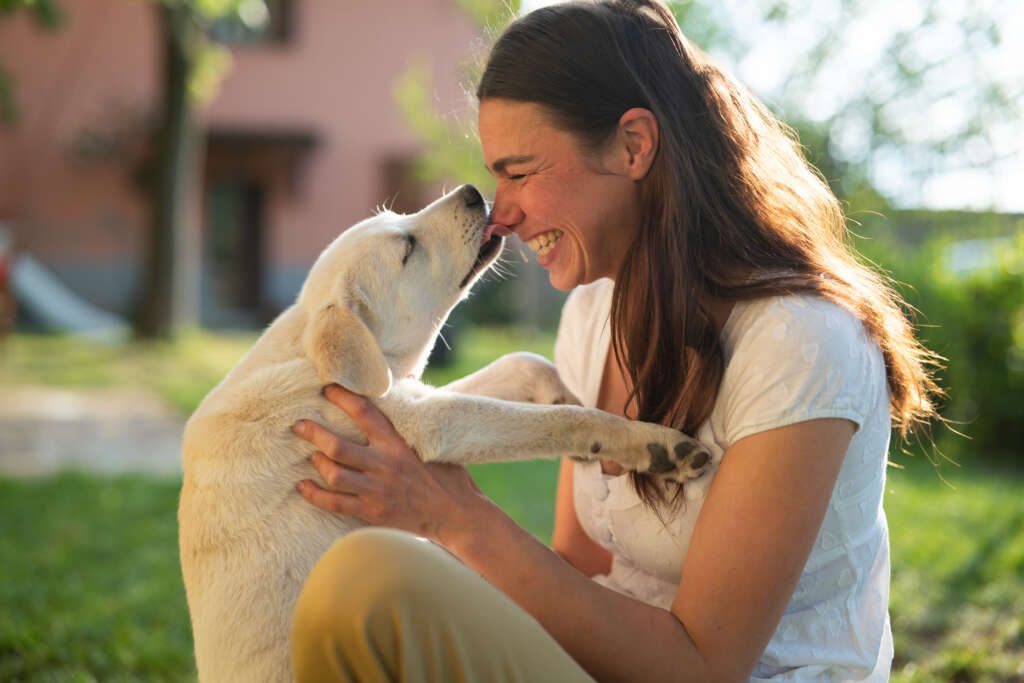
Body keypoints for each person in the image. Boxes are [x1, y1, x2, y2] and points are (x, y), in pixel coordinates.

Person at [288, 1, 940, 681]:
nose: (501, 213)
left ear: (634, 145)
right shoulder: (597, 311)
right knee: (364, 582)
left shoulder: (802, 341)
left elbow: (705, 667)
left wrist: (456, 517)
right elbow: (581, 568)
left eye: (520, 171)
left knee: (366, 584)